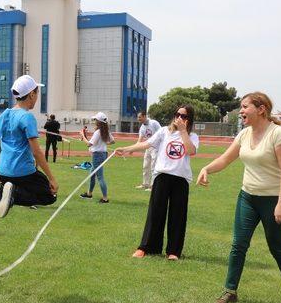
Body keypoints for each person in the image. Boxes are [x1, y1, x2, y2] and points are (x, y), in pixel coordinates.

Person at [197, 92, 281, 303]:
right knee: (238, 245)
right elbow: (225, 159)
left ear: (261, 109)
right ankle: (230, 291)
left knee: (277, 247)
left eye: (244, 106)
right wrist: (206, 168)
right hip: (247, 197)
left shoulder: (278, 134)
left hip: (273, 199)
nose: (241, 111)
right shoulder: (244, 134)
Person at [115, 105, 199, 260]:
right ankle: (147, 247)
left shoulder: (192, 136)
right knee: (155, 213)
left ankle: (173, 251)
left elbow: (190, 151)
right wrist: (127, 149)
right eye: (177, 114)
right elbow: (146, 144)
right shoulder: (164, 131)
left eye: (184, 116)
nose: (179, 118)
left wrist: (182, 131)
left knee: (178, 215)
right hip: (162, 175)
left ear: (189, 119)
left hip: (181, 179)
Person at [0, 75, 58, 218]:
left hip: (4, 172)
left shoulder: (2, 117)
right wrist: (52, 178)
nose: (37, 97)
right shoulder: (27, 117)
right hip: (23, 172)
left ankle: (1, 194)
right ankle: (11, 194)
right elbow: (36, 151)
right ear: (31, 94)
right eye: (37, 94)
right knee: (50, 195)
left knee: (11, 187)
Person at [79, 112, 115, 203]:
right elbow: (113, 141)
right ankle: (89, 194)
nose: (94, 121)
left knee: (100, 177)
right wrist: (104, 144)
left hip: (97, 156)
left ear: (99, 121)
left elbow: (89, 144)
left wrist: (82, 135)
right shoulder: (104, 131)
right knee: (92, 175)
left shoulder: (98, 132)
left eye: (96, 120)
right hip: (102, 154)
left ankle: (105, 198)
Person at [136, 111, 161, 190]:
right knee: (145, 166)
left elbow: (161, 133)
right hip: (148, 147)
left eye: (139, 117)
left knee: (153, 167)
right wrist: (132, 149)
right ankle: (145, 184)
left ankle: (152, 186)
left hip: (156, 148)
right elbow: (139, 140)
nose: (138, 119)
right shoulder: (142, 127)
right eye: (138, 117)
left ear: (144, 116)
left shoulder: (154, 123)